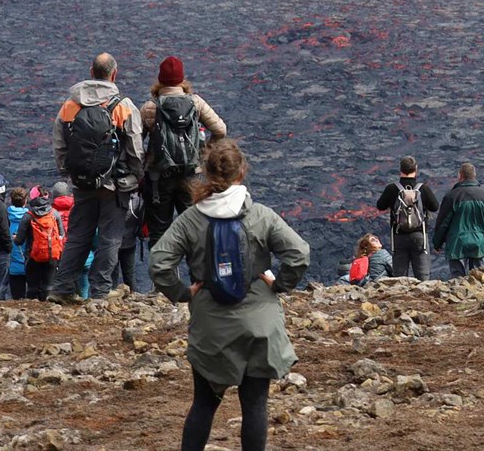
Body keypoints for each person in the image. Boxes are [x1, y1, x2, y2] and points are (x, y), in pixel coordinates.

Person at [150, 138, 309, 451]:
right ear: (241, 174)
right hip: (259, 326)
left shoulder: (190, 219)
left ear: (207, 174)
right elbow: (299, 253)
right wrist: (279, 284)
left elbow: (159, 262)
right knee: (254, 406)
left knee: (204, 405)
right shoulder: (262, 216)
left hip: (211, 325)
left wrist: (182, 292)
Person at [50, 52, 145, 304]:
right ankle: (101, 291)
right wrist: (137, 176)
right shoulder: (123, 106)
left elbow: (59, 143)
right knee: (110, 237)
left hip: (82, 182)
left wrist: (67, 173)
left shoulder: (70, 105)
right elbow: (135, 148)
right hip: (115, 184)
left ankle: (61, 288)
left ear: (91, 73)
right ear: (114, 74)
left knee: (79, 234)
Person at [143, 56, 227, 251]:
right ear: (183, 80)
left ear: (160, 80)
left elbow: (136, 142)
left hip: (159, 179)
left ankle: (162, 280)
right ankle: (198, 279)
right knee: (194, 231)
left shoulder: (150, 108)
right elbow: (220, 130)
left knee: (160, 233)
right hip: (191, 175)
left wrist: (142, 166)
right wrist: (204, 152)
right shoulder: (195, 103)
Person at [376, 156, 439, 280]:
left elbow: (380, 206)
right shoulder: (423, 188)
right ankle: (423, 296)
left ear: (400, 170)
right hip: (419, 235)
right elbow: (435, 207)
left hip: (398, 235)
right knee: (422, 276)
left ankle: (400, 296)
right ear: (416, 169)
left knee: (399, 275)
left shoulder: (392, 188)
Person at [432, 162, 484, 278]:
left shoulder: (451, 196)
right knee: (479, 276)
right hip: (479, 241)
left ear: (460, 176)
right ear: (474, 176)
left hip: (456, 243)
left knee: (457, 279)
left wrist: (437, 243)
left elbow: (443, 223)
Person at [19, 186, 64, 300]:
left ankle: (31, 308)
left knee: (32, 287)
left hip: (33, 255)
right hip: (51, 255)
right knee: (48, 285)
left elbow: (19, 240)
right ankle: (47, 308)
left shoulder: (28, 216)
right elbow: (61, 235)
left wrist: (15, 238)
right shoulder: (55, 214)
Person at [4, 186, 30, 302]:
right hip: (31, 265)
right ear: (25, 201)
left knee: (17, 301)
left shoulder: (4, 218)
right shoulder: (31, 218)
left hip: (13, 267)